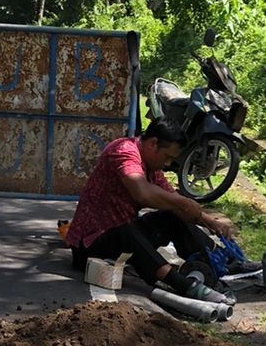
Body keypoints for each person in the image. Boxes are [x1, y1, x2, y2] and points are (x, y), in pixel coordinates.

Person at [65, 124, 237, 304]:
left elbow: (176, 203)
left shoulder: (151, 169)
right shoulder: (123, 151)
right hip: (90, 247)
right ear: (153, 144)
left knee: (171, 217)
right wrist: (183, 202)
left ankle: (224, 261)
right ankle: (184, 285)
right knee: (127, 231)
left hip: (120, 240)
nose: (167, 164)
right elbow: (143, 193)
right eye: (167, 157)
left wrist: (210, 222)